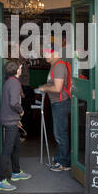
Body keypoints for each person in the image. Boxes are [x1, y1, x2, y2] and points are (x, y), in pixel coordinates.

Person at [0, 60, 32, 191]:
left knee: (16, 147)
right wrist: (21, 111)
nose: (21, 69)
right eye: (20, 67)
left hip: (10, 119)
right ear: (18, 70)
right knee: (7, 150)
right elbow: (14, 102)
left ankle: (16, 172)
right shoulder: (15, 83)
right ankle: (0, 180)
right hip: (10, 121)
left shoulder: (9, 81)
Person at [39, 43, 71, 172]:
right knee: (59, 132)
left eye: (47, 52)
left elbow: (57, 88)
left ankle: (64, 163)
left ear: (55, 54)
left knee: (60, 133)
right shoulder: (54, 65)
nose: (45, 55)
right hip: (58, 102)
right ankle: (60, 158)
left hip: (61, 103)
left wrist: (44, 88)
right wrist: (45, 85)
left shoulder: (58, 67)